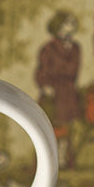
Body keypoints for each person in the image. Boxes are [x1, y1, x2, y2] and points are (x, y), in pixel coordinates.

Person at [34, 11, 81, 168]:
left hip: (68, 92)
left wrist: (63, 73)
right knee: (52, 126)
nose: (70, 27)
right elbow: (41, 71)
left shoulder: (75, 48)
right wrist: (45, 86)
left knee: (67, 127)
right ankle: (48, 160)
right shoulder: (48, 48)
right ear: (58, 27)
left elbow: (73, 71)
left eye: (72, 24)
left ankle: (64, 159)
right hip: (52, 92)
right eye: (67, 24)